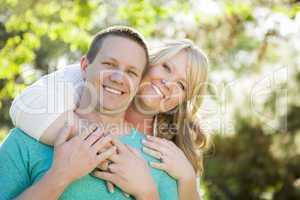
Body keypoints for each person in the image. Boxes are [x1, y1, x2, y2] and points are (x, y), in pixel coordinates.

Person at [9, 40, 210, 200]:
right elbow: (26, 105)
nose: (168, 83)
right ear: (146, 63)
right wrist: (105, 149)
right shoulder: (86, 78)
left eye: (182, 85)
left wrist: (185, 178)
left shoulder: (173, 152)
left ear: (181, 102)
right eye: (166, 67)